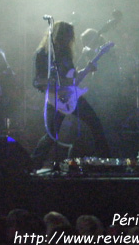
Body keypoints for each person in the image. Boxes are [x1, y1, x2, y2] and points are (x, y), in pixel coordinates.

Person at [30, 21, 110, 169]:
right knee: (51, 135)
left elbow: (73, 79)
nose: (70, 40)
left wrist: (87, 70)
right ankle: (32, 165)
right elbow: (36, 81)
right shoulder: (43, 53)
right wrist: (55, 83)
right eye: (68, 36)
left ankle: (105, 161)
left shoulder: (66, 54)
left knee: (95, 124)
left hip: (71, 96)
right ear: (59, 36)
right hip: (55, 99)